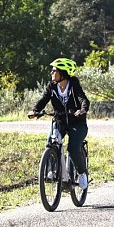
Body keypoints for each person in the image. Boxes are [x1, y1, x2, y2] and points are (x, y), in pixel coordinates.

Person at [28, 58, 90, 190]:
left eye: (54, 70)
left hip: (77, 123)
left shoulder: (74, 85)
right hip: (60, 121)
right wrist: (35, 111)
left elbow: (83, 99)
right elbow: (43, 100)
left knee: (73, 149)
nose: (51, 73)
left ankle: (81, 173)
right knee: (51, 142)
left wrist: (82, 110)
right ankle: (52, 170)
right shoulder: (52, 86)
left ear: (63, 72)